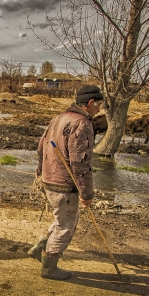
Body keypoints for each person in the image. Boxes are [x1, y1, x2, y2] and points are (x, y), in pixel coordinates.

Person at [28, 85, 103, 280]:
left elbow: (40, 148)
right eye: (99, 105)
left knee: (61, 220)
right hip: (65, 184)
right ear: (90, 103)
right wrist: (87, 194)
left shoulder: (59, 117)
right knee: (66, 226)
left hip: (49, 179)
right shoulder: (82, 123)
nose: (100, 110)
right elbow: (81, 162)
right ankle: (49, 267)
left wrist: (39, 171)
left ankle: (38, 248)